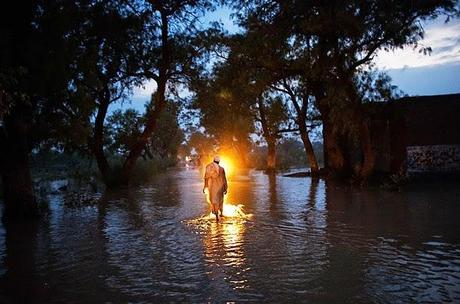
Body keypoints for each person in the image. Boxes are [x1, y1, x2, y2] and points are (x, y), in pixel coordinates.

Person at [203, 155, 228, 222]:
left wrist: (205, 186)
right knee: (220, 201)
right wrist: (225, 188)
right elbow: (224, 179)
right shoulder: (222, 168)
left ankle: (217, 216)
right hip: (220, 187)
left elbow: (206, 177)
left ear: (213, 160)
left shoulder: (209, 167)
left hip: (213, 187)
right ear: (219, 161)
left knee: (214, 201)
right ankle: (221, 214)